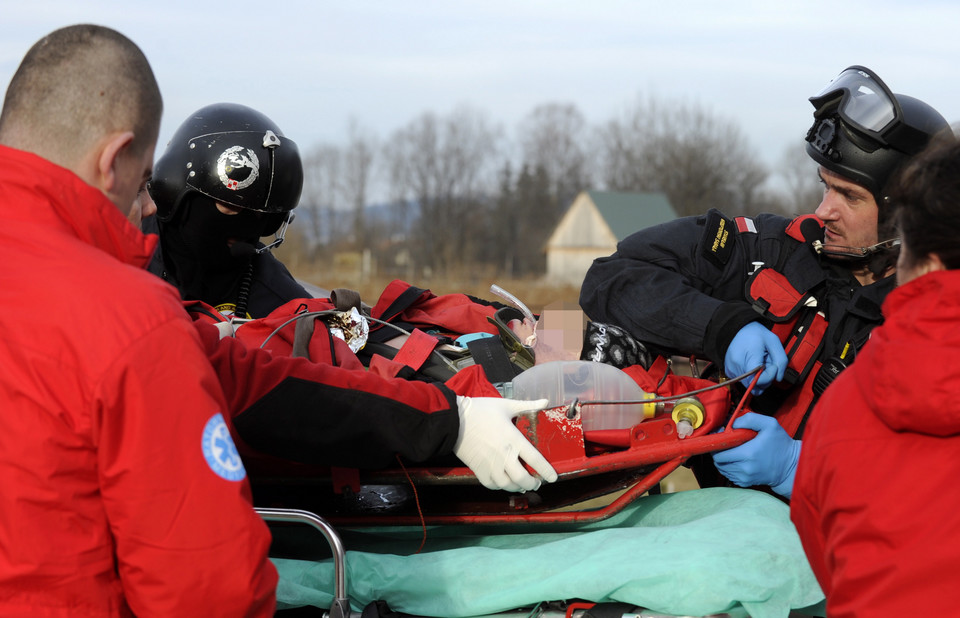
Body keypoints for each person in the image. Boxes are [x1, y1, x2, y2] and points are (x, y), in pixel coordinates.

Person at [0, 25, 277, 616]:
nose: (150, 204)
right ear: (112, 159)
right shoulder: (129, 322)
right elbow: (208, 593)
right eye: (143, 177)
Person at [579, 65, 951, 499]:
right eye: (825, 186)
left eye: (849, 196)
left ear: (903, 217)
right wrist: (722, 327)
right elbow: (612, 277)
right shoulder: (773, 250)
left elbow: (933, 489)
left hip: (834, 546)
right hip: (721, 531)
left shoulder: (934, 321)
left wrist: (801, 467)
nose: (824, 209)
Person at [791, 132, 960, 616]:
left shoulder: (842, 407)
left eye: (848, 194)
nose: (825, 212)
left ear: (925, 265)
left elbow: (828, 563)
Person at [146, 102, 310, 318]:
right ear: (179, 196)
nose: (248, 227)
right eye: (231, 206)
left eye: (262, 216)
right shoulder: (124, 257)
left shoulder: (282, 302)